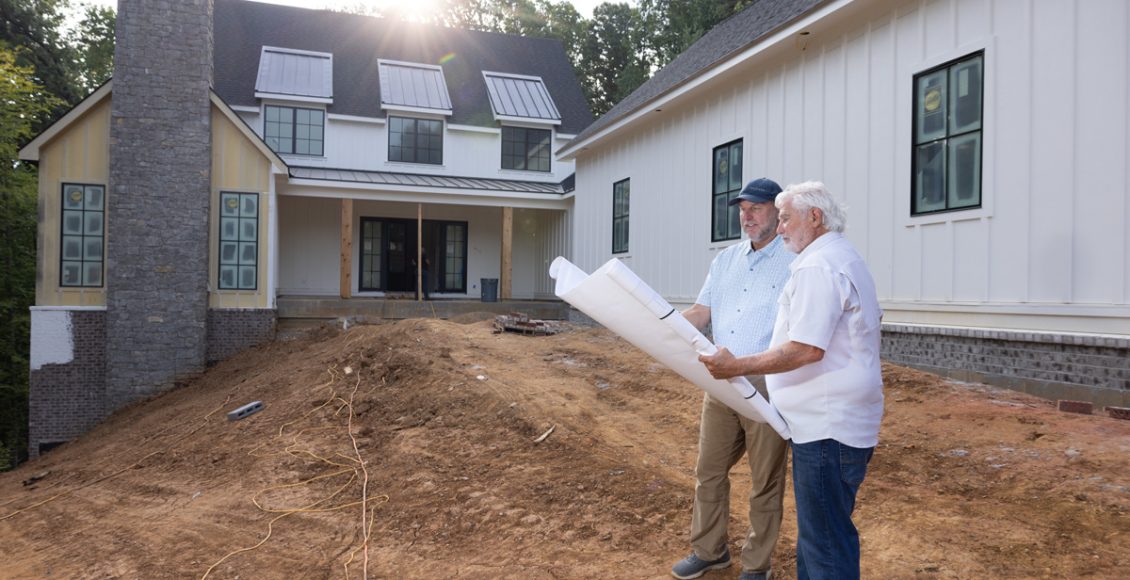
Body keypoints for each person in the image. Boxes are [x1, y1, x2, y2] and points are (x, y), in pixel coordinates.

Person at [698, 181, 884, 580]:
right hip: (833, 424)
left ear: (814, 218)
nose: (781, 228)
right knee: (823, 537)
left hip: (826, 427)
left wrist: (737, 365)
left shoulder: (819, 265)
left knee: (824, 544)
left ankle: (757, 563)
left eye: (784, 218)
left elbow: (806, 349)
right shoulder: (838, 257)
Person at [671, 178, 794, 580]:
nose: (747, 216)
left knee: (765, 481)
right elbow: (701, 313)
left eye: (756, 208)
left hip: (767, 383)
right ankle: (709, 551)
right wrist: (653, 323)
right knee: (708, 471)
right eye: (742, 209)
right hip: (721, 381)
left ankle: (757, 566)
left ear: (777, 211)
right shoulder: (724, 260)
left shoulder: (796, 260)